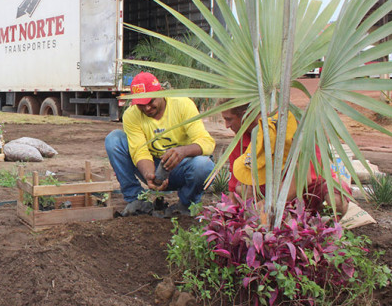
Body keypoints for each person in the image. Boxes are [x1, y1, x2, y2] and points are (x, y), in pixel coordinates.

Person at [105, 72, 215, 217]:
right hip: (153, 166)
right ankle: (136, 200)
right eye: (141, 105)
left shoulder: (182, 105)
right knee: (114, 139)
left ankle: (186, 204)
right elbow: (140, 151)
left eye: (150, 102)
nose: (147, 109)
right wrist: (150, 175)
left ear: (161, 93)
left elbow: (207, 143)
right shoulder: (131, 115)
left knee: (204, 165)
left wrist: (182, 151)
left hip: (181, 167)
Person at [222, 102, 349, 215]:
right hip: (271, 191)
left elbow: (302, 180)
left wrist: (266, 206)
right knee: (241, 188)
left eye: (229, 119)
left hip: (311, 189)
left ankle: (327, 231)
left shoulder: (291, 126)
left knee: (336, 199)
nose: (226, 125)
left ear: (246, 115)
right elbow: (234, 191)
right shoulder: (240, 143)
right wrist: (226, 217)